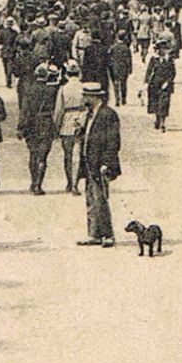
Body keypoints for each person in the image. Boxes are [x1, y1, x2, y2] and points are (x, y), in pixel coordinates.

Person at [75, 82, 121, 247]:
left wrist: (107, 163)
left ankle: (108, 235)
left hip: (101, 164)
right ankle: (94, 233)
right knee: (91, 198)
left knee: (101, 199)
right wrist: (79, 129)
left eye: (86, 96)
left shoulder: (108, 114)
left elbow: (113, 142)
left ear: (95, 97)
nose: (84, 98)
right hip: (89, 162)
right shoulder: (89, 114)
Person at [19, 62, 59, 195]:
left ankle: (33, 181)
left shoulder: (29, 90)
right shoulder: (51, 91)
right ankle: (38, 185)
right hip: (46, 122)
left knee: (33, 153)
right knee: (42, 156)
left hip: (31, 123)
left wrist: (20, 127)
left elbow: (24, 110)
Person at [53, 61, 87, 194]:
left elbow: (58, 110)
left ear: (66, 74)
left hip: (67, 121)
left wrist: (56, 127)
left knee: (68, 155)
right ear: (79, 74)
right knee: (80, 154)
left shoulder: (63, 89)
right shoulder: (84, 87)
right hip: (81, 120)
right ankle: (76, 183)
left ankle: (69, 182)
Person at [144, 40, 176, 132]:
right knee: (155, 103)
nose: (164, 51)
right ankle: (157, 119)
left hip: (165, 85)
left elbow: (173, 73)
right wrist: (146, 83)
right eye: (162, 49)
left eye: (165, 49)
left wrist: (168, 82)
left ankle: (163, 123)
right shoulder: (154, 59)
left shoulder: (169, 60)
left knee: (164, 103)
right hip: (154, 84)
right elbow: (149, 72)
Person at [108, 34, 134, 106]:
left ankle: (117, 99)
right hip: (124, 67)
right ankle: (123, 99)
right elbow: (129, 59)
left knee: (115, 83)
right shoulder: (126, 48)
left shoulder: (113, 47)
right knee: (124, 83)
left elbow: (109, 58)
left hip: (114, 67)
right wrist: (130, 68)